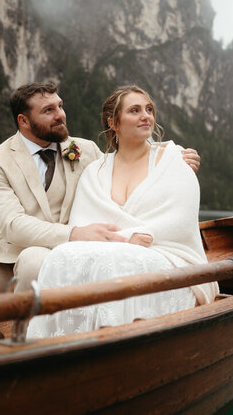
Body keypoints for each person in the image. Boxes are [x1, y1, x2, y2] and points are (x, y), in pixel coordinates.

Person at [0, 82, 200, 348]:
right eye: (48, 110)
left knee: (33, 260)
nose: (60, 114)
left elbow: (129, 154)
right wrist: (73, 233)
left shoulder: (84, 151)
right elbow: (11, 225)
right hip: (11, 251)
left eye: (60, 106)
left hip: (69, 254)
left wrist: (176, 155)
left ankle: (29, 350)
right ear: (24, 120)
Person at [27, 86, 217, 338]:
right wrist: (127, 239)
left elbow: (180, 222)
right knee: (60, 255)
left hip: (166, 253)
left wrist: (135, 238)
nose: (145, 116)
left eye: (149, 110)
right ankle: (54, 344)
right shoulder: (96, 171)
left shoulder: (175, 160)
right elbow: (84, 223)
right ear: (113, 122)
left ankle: (114, 344)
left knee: (116, 263)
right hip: (114, 249)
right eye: (135, 110)